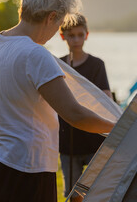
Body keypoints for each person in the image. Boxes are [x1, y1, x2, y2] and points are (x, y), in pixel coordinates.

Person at [0, 0, 115, 202]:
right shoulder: (36, 54)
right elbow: (75, 115)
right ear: (52, 17)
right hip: (27, 168)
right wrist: (119, 129)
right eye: (58, 23)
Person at [58, 14, 112, 201]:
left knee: (97, 191)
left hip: (94, 140)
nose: (76, 40)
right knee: (72, 194)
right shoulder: (58, 65)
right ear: (62, 36)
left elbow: (106, 98)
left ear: (87, 35)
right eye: (71, 35)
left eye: (80, 35)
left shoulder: (97, 64)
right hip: (67, 141)